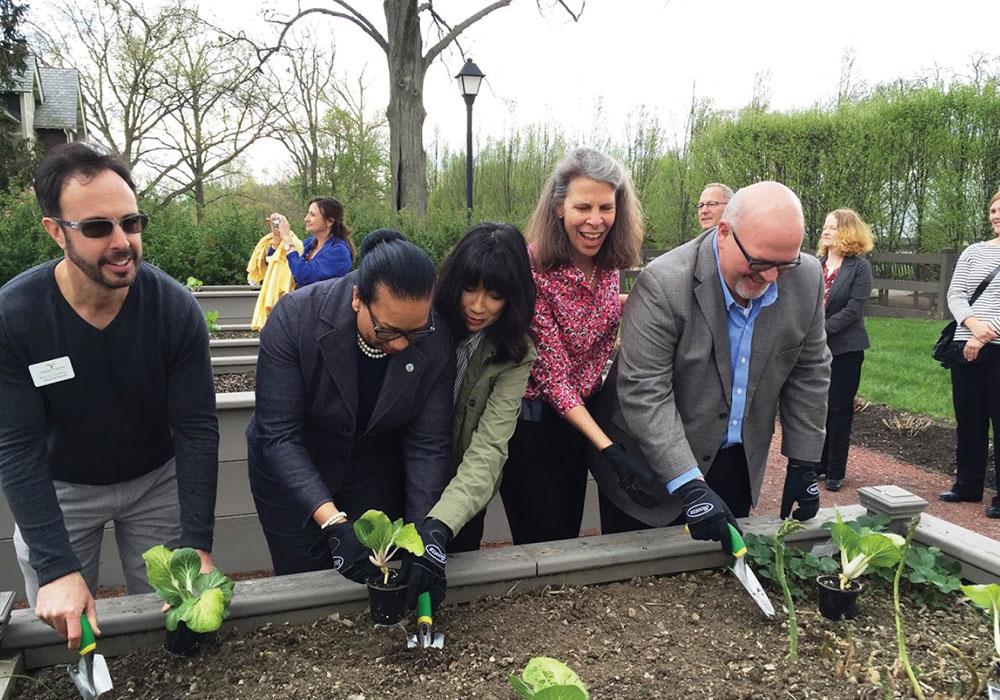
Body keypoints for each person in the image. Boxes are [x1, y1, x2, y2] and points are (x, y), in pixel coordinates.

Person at [0, 143, 219, 649]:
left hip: (155, 481)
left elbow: (197, 429)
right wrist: (55, 567)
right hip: (63, 485)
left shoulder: (173, 310)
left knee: (179, 623)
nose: (123, 242)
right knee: (63, 629)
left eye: (132, 223)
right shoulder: (17, 316)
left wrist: (198, 544)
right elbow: (16, 445)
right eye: (98, 228)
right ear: (56, 230)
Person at [589, 181, 831, 550]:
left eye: (784, 265)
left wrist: (803, 460)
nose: (769, 278)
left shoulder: (807, 278)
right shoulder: (664, 283)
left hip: (734, 463)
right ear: (723, 233)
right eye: (759, 263)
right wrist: (688, 483)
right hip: (646, 468)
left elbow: (810, 370)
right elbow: (644, 391)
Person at [246, 229, 454, 607]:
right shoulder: (296, 318)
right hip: (293, 468)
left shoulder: (437, 338)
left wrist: (423, 534)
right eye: (388, 330)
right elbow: (278, 436)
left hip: (371, 467)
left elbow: (429, 444)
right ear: (358, 298)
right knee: (306, 589)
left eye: (415, 332)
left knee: (377, 569)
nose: (402, 344)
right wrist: (332, 521)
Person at [499, 148, 644, 545]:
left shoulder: (607, 265)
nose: (596, 220)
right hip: (535, 428)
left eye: (606, 207)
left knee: (571, 539)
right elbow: (554, 379)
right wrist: (609, 448)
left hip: (580, 424)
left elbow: (592, 313)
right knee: (546, 542)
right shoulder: (533, 268)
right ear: (559, 208)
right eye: (583, 207)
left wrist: (647, 303)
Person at [400, 222, 537, 608]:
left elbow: (490, 448)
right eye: (470, 289)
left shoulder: (516, 354)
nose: (478, 307)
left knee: (444, 584)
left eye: (495, 296)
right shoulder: (418, 325)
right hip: (400, 481)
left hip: (461, 497)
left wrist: (441, 525)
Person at [939, 191, 1000, 518]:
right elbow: (956, 293)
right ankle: (968, 484)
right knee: (969, 418)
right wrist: (973, 328)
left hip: (998, 347)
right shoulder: (974, 252)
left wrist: (988, 332)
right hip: (965, 343)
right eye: (992, 210)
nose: (995, 216)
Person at [816, 209, 874, 492]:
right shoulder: (814, 265)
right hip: (814, 351)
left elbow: (854, 309)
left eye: (833, 227)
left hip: (846, 349)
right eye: (825, 227)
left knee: (839, 408)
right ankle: (818, 462)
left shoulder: (859, 268)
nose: (826, 231)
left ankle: (836, 468)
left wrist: (820, 331)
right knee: (816, 407)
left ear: (848, 232)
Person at [268, 197, 354, 287]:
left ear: (329, 221)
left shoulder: (339, 252)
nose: (306, 219)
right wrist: (277, 238)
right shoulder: (308, 244)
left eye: (312, 215)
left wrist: (287, 239)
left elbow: (305, 278)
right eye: (308, 214)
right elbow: (274, 268)